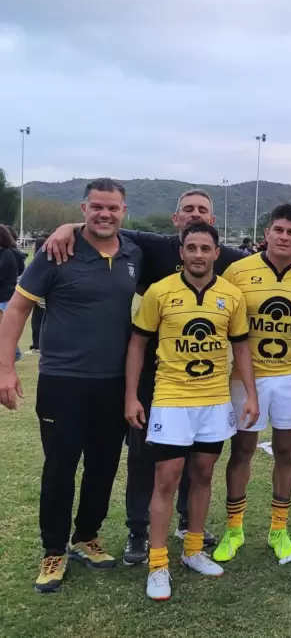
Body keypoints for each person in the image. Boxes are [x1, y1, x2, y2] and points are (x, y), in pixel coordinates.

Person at [42, 189, 291, 566]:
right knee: (150, 457)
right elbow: (104, 224)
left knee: (202, 456)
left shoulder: (232, 262)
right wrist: (68, 226)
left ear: (212, 227)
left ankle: (191, 527)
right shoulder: (151, 246)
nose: (195, 218)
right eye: (188, 210)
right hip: (156, 375)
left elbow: (280, 267)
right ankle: (139, 531)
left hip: (218, 380)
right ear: (176, 223)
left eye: (203, 211)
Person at [0, 178, 142, 594]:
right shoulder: (56, 251)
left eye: (113, 208)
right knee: (61, 467)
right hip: (63, 381)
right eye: (97, 206)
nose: (105, 214)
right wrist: (6, 368)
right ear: (83, 209)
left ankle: (86, 536)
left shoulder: (133, 253)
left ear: (123, 211)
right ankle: (53, 550)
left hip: (112, 382)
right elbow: (17, 310)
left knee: (103, 465)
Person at [125, 222, 259, 600]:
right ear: (181, 252)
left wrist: (250, 394)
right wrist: (131, 396)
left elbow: (242, 348)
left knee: (202, 474)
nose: (198, 254)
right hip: (171, 398)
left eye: (205, 248)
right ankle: (157, 563)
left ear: (217, 253)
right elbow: (137, 345)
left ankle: (193, 549)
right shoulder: (159, 291)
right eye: (191, 248)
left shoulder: (231, 296)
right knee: (167, 478)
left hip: (214, 400)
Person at [213, 203, 291, 563]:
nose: (283, 236)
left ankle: (278, 528)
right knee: (242, 451)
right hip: (247, 377)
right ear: (266, 234)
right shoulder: (238, 271)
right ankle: (234, 529)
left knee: (284, 452)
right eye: (278, 230)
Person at [0, 225, 23, 361]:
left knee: (5, 329)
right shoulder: (9, 253)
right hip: (5, 295)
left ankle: (14, 354)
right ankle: (14, 353)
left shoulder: (7, 254)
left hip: (4, 296)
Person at [30, 234, 47, 352]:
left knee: (38, 321)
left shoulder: (40, 261)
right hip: (42, 298)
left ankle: (37, 345)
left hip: (40, 298)